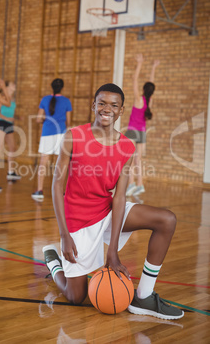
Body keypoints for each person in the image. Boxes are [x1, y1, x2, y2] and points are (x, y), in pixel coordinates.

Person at [42, 83, 184, 320]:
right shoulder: (73, 136)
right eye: (102, 103)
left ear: (121, 111)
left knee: (166, 220)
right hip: (78, 221)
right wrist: (65, 235)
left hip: (106, 212)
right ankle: (53, 263)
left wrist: (113, 251)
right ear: (93, 105)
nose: (107, 109)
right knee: (76, 296)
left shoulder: (127, 146)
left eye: (114, 105)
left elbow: (119, 197)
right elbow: (57, 186)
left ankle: (144, 296)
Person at [32, 78, 72, 201]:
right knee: (60, 164)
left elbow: (38, 119)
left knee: (43, 163)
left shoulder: (44, 99)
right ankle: (60, 193)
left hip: (47, 133)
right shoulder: (66, 101)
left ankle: (39, 191)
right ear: (62, 88)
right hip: (61, 134)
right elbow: (68, 122)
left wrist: (45, 119)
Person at [125, 54, 160, 196]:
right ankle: (140, 185)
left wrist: (139, 63)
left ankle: (131, 184)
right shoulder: (149, 102)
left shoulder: (139, 99)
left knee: (130, 159)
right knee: (138, 159)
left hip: (133, 131)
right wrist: (153, 68)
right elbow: (151, 84)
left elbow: (134, 79)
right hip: (142, 132)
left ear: (143, 90)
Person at [0, 81, 21, 181]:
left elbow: (9, 112)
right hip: (1, 124)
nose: (14, 85)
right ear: (7, 87)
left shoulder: (12, 99)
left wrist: (16, 117)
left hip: (9, 125)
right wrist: (7, 119)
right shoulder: (2, 98)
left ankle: (11, 172)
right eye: (12, 84)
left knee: (13, 147)